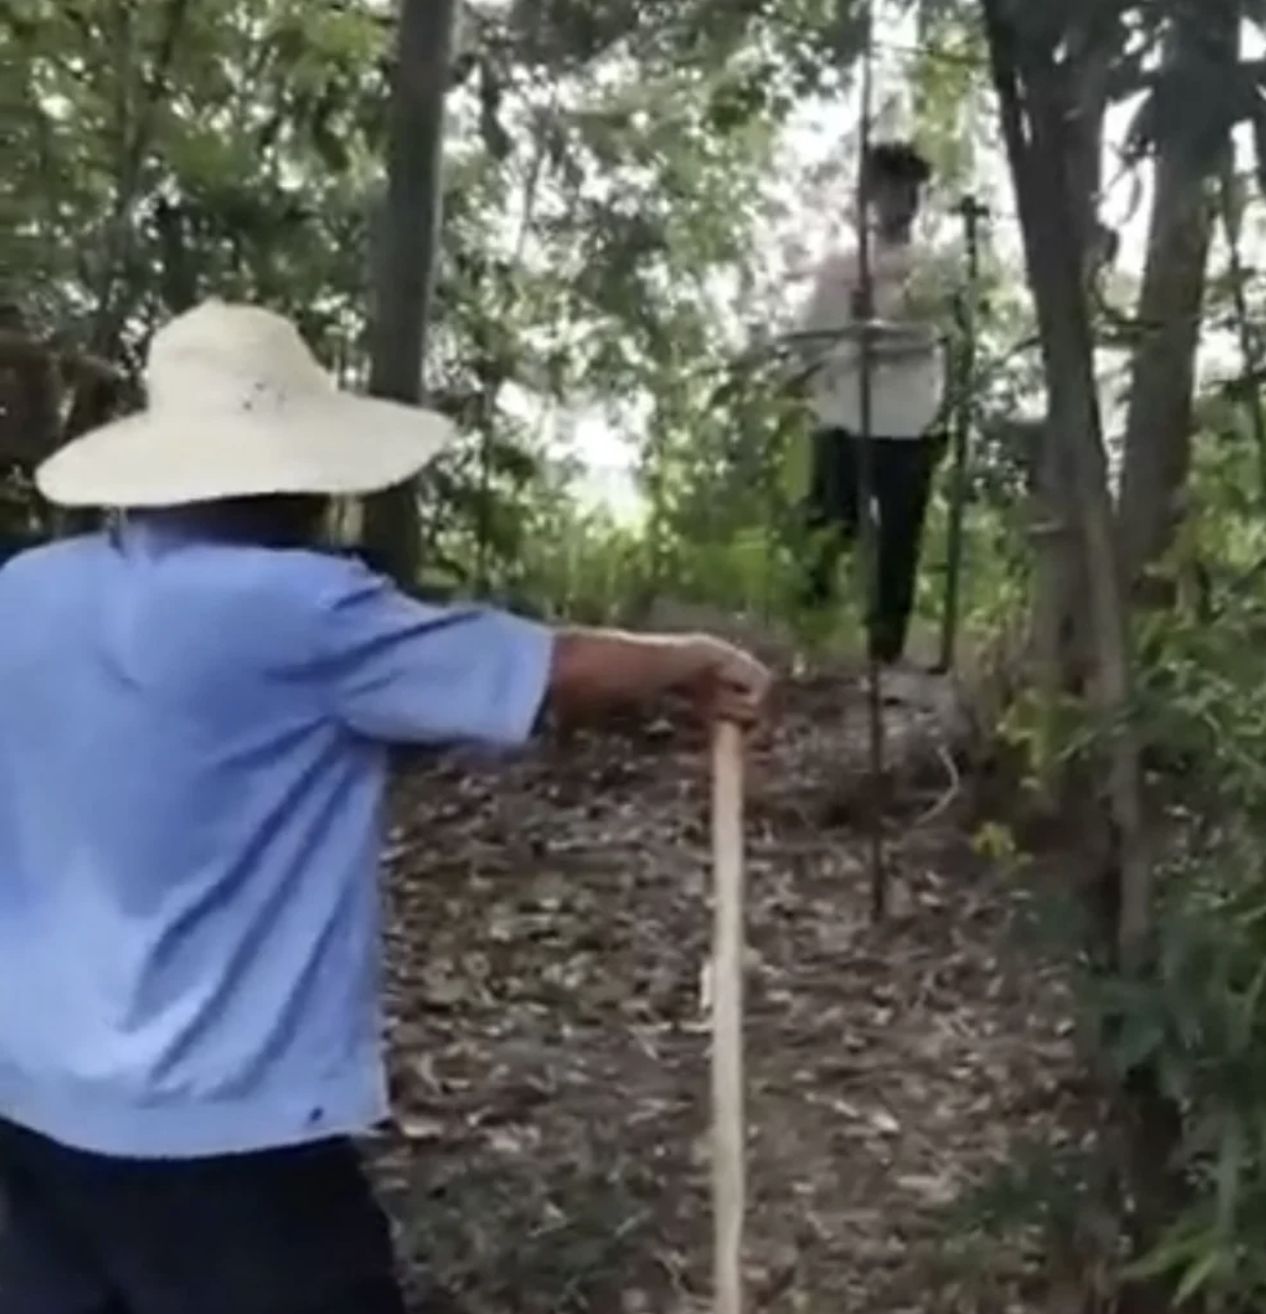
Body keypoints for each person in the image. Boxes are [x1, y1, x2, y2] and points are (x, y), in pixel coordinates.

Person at [0, 301, 773, 1314]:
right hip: (220, 1138)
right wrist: (692, 661)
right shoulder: (302, 614)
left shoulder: (28, 593)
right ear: (289, 478)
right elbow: (547, 669)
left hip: (29, 1106)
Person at [795, 140, 950, 665]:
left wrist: (869, 332)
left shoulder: (931, 268)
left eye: (908, 190)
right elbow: (813, 335)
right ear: (869, 194)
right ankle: (811, 641)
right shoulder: (840, 264)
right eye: (886, 188)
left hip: (909, 421)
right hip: (842, 414)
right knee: (827, 530)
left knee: (898, 543)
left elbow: (925, 336)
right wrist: (801, 374)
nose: (898, 201)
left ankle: (886, 651)